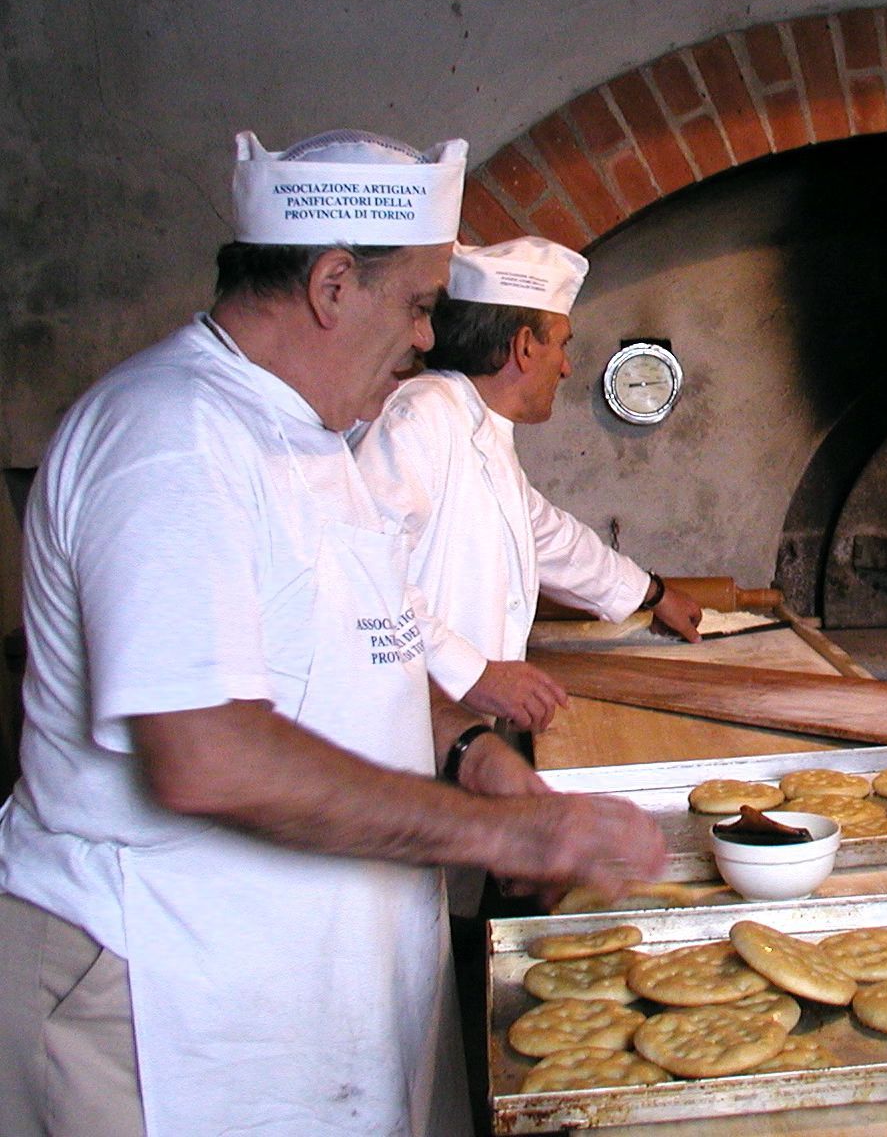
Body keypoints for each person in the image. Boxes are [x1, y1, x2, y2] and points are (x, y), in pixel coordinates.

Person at [0, 129, 664, 1137]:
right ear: (332, 282)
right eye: (418, 304)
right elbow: (206, 755)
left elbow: (364, 660)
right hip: (169, 1001)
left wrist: (472, 752)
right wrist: (498, 831)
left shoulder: (310, 437)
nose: (431, 340)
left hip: (308, 980)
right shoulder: (173, 436)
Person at [356, 236, 703, 737]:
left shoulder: (478, 427)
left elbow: (549, 536)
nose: (564, 366)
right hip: (404, 737)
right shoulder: (420, 416)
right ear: (523, 346)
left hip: (456, 734)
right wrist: (472, 673)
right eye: (560, 344)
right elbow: (367, 580)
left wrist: (652, 594)